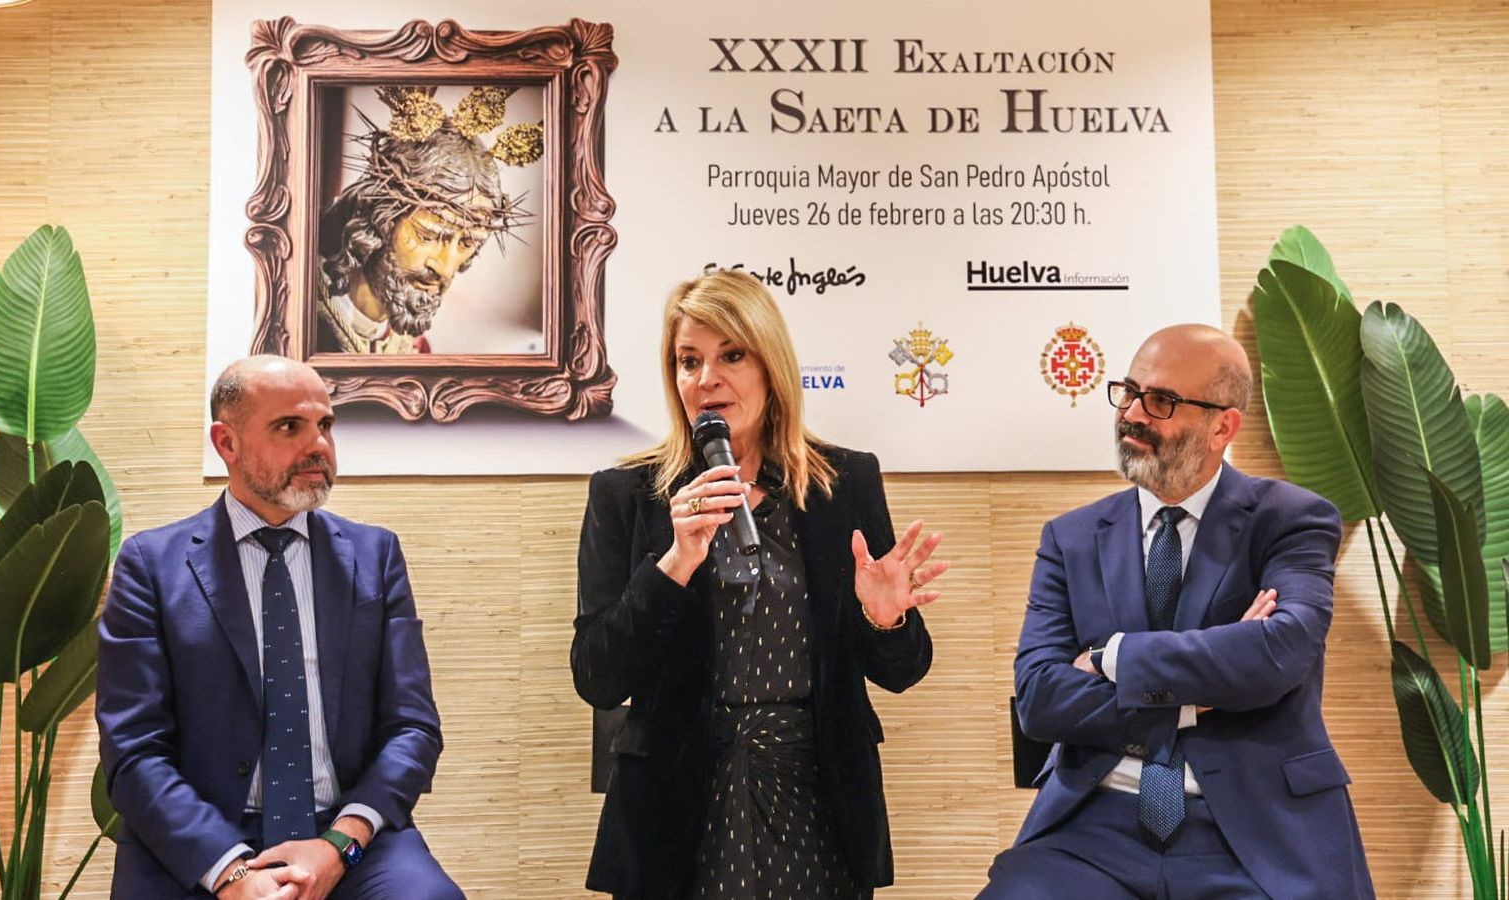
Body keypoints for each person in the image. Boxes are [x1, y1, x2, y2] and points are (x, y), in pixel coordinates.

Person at [571, 269, 948, 899]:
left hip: (819, 797)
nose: (706, 379)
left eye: (731, 356)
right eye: (688, 361)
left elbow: (902, 670)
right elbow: (598, 677)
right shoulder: (627, 495)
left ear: (771, 365)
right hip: (676, 802)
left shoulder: (843, 483)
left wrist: (885, 619)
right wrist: (674, 563)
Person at [981, 325, 1374, 899]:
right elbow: (1040, 699)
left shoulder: (1290, 520)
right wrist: (1194, 698)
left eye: (1161, 401)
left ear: (1223, 427)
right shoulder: (1072, 538)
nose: (1132, 414)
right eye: (1129, 392)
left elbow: (1279, 653)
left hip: (1258, 831)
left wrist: (1111, 656)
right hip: (1093, 827)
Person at [96, 355, 464, 899]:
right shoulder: (151, 566)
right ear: (227, 443)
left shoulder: (375, 555)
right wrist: (231, 873)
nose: (318, 445)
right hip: (199, 841)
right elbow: (133, 751)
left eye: (325, 425)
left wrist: (340, 845)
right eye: (290, 426)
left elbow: (413, 728)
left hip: (345, 833)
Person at [315, 85, 543, 355]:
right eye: (428, 235)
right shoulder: (303, 320)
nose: (445, 268)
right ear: (379, 218)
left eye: (467, 243)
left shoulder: (415, 350)